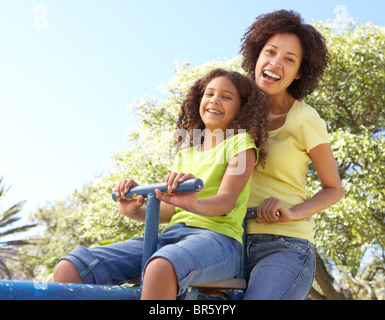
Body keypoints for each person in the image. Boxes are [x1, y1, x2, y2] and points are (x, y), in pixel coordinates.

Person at [53, 68, 268, 300]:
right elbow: (170, 209)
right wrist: (136, 210)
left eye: (226, 97)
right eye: (209, 94)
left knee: (160, 266)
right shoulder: (187, 150)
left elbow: (226, 201)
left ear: (241, 108)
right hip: (173, 236)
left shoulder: (240, 144)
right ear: (199, 100)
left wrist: (193, 203)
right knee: (71, 268)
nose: (215, 100)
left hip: (218, 240)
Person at [239, 10, 344, 300]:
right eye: (270, 52)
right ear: (256, 55)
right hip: (230, 240)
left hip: (285, 245)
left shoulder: (305, 119)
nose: (275, 63)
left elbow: (334, 189)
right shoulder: (234, 112)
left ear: (299, 72)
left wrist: (292, 213)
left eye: (289, 59)